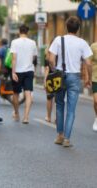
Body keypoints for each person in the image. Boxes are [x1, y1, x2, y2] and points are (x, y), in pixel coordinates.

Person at [49, 16, 92, 147]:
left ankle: (59, 136)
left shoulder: (58, 40)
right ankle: (67, 139)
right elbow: (89, 63)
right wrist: (88, 78)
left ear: (66, 27)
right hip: (74, 77)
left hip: (59, 75)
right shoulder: (82, 43)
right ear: (78, 29)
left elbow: (51, 59)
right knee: (71, 109)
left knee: (60, 105)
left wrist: (54, 70)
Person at [10, 24, 37, 124]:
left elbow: (14, 58)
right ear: (27, 32)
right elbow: (34, 57)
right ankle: (26, 117)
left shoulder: (14, 42)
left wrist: (13, 72)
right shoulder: (33, 43)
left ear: (19, 31)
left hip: (18, 71)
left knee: (16, 93)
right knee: (28, 93)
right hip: (29, 70)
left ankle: (17, 113)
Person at [43, 43, 55, 123]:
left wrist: (45, 81)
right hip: (60, 78)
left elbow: (47, 70)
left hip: (50, 79)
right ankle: (58, 118)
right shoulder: (61, 56)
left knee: (49, 98)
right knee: (59, 99)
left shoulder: (48, 57)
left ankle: (48, 116)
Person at [91, 42, 97, 131]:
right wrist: (87, 76)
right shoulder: (93, 46)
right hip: (95, 77)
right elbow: (88, 61)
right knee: (96, 101)